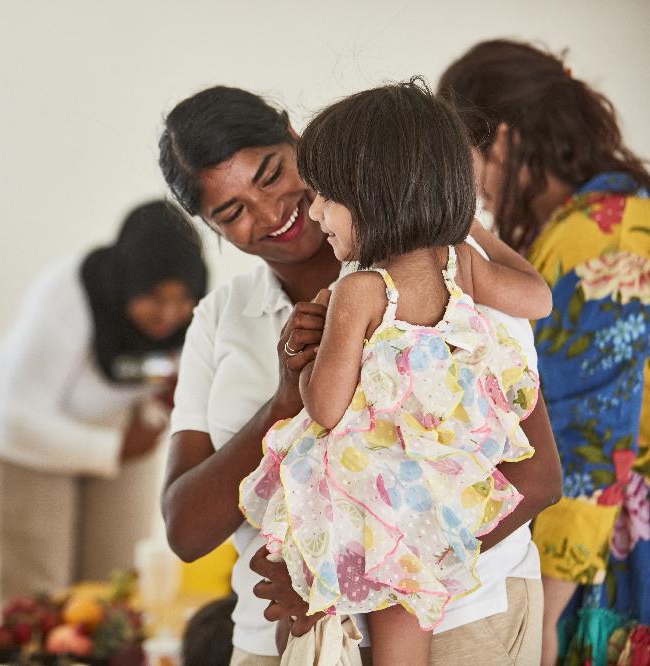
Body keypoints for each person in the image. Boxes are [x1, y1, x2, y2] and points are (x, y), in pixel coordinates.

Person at [158, 85, 562, 666]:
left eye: (271, 175)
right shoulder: (221, 317)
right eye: (232, 212)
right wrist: (282, 401)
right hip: (281, 637)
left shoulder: (444, 265)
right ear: (209, 227)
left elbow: (537, 476)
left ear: (299, 142)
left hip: (460, 622)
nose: (273, 214)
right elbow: (187, 530)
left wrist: (339, 576)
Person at [439, 39, 650, 666]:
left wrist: (551, 608)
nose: (468, 185)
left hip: (605, 551)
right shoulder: (601, 216)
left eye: (463, 158)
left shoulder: (600, 235)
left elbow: (593, 434)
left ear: (502, 140)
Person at [0, 200, 207, 600]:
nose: (169, 314)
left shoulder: (197, 313)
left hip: (120, 435)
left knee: (113, 589)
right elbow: (15, 418)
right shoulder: (67, 296)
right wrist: (116, 448)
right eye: (155, 297)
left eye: (182, 298)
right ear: (130, 281)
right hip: (27, 443)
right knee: (40, 596)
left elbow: (167, 376)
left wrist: (164, 406)